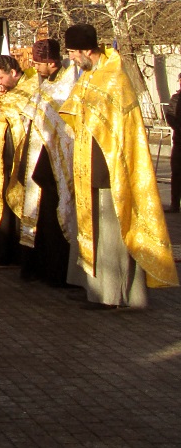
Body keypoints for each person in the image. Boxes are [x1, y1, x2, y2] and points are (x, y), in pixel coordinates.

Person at [59, 23, 178, 309]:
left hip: (110, 170)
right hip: (88, 165)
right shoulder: (90, 76)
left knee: (112, 234)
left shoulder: (115, 79)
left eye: (74, 53)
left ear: (88, 50)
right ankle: (95, 288)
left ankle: (116, 294)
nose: (72, 59)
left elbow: (123, 132)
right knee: (92, 231)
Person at [6, 39, 77, 286]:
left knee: (53, 212)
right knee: (39, 213)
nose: (35, 67)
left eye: (38, 63)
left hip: (56, 161)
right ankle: (38, 266)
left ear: (51, 61)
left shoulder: (67, 86)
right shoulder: (45, 83)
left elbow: (63, 124)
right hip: (37, 157)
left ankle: (55, 271)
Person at [0, 54, 35, 265]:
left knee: (14, 197)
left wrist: (0, 114)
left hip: (16, 155)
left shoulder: (30, 86)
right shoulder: (4, 88)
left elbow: (22, 113)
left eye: (1, 78)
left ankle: (14, 251)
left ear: (13, 72)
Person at [165, 71, 181, 213]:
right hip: (179, 141)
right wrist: (178, 127)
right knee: (176, 173)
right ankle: (174, 204)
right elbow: (170, 115)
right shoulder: (176, 98)